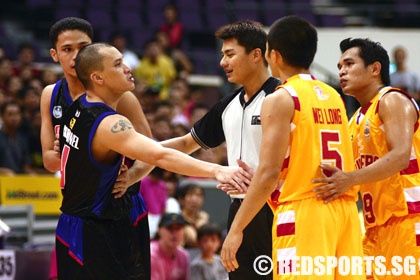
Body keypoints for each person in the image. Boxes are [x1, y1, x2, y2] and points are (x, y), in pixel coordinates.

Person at [56, 42, 249, 279]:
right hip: (94, 230)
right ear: (97, 77)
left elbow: (151, 150)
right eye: (117, 64)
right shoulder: (111, 124)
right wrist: (217, 170)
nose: (128, 68)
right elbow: (158, 155)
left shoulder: (77, 107)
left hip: (77, 224)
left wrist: (137, 173)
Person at [221, 16, 364, 279]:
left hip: (304, 214)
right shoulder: (333, 95)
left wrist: (236, 229)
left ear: (273, 55)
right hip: (344, 213)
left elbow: (269, 172)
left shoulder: (280, 98)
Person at [162, 20, 279, 279]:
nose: (222, 62)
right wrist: (133, 150)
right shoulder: (227, 105)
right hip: (239, 209)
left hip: (278, 209)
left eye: (230, 54)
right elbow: (184, 144)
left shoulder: (283, 96)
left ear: (256, 55)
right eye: (222, 55)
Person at [40, 17, 153, 280]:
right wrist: (69, 152)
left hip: (121, 208)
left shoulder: (121, 96)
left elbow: (151, 151)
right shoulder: (51, 95)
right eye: (67, 49)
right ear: (55, 55)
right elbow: (48, 160)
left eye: (84, 46)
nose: (76, 55)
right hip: (81, 212)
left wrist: (132, 177)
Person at [313, 38, 420, 279]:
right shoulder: (355, 120)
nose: (342, 71)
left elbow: (400, 156)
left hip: (408, 220)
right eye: (340, 66)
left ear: (375, 69)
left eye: (349, 64)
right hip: (375, 228)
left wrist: (349, 178)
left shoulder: (392, 100)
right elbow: (344, 174)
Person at [151, 213, 190, 280]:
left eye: (178, 228)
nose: (174, 233)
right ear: (159, 230)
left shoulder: (184, 256)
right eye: (170, 228)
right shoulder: (151, 255)